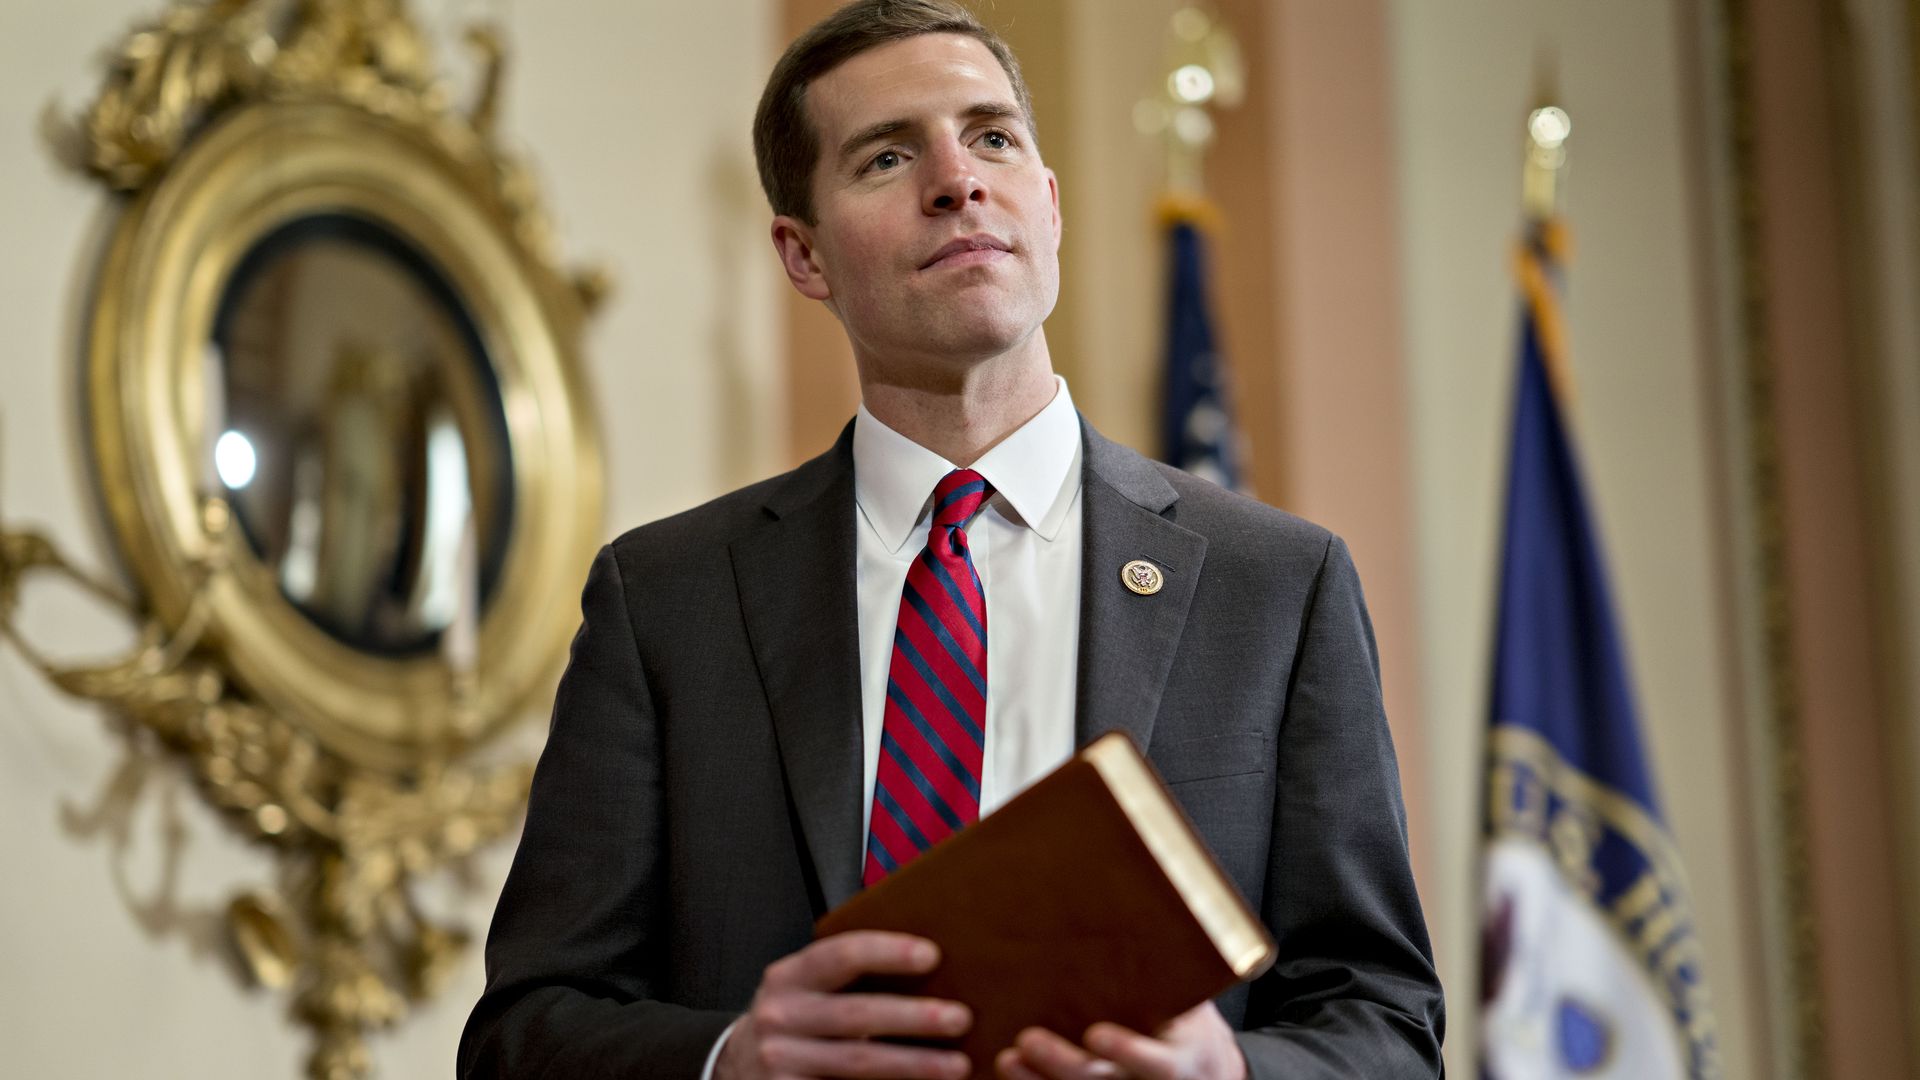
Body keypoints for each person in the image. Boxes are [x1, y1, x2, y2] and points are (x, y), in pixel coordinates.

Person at [457, 2, 1444, 1077]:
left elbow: (1385, 1019)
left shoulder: (1276, 586)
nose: (957, 181)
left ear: (1049, 206)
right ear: (804, 256)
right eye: (886, 158)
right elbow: (522, 1036)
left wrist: (1235, 1073)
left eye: (991, 137)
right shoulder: (667, 602)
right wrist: (736, 1057)